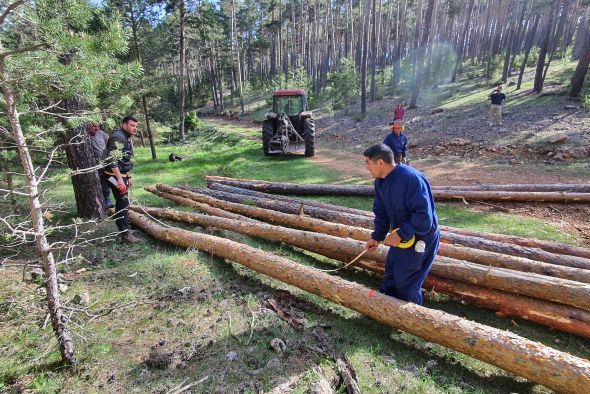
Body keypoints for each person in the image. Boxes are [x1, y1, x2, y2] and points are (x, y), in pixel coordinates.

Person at [363, 144, 439, 305]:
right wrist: (377, 237)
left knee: (407, 283)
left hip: (420, 238)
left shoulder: (411, 179)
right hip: (402, 236)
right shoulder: (380, 182)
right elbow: (381, 212)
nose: (367, 168)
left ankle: (412, 318)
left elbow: (424, 217)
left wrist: (400, 234)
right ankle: (386, 310)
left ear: (381, 163)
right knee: (391, 273)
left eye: (368, 163)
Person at [101, 116, 141, 244]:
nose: (134, 128)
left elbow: (123, 160)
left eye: (136, 126)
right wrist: (119, 179)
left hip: (120, 174)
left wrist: (127, 176)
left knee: (123, 203)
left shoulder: (126, 137)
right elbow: (112, 160)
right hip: (111, 175)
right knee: (123, 202)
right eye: (132, 125)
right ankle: (125, 234)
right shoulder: (118, 137)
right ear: (124, 125)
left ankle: (125, 229)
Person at [87, 122, 114, 209]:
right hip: (93, 165)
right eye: (94, 126)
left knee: (109, 180)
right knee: (98, 182)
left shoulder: (101, 134)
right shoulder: (84, 135)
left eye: (98, 126)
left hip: (105, 163)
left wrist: (107, 155)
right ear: (88, 126)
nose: (97, 128)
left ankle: (108, 200)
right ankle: (102, 201)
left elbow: (110, 143)